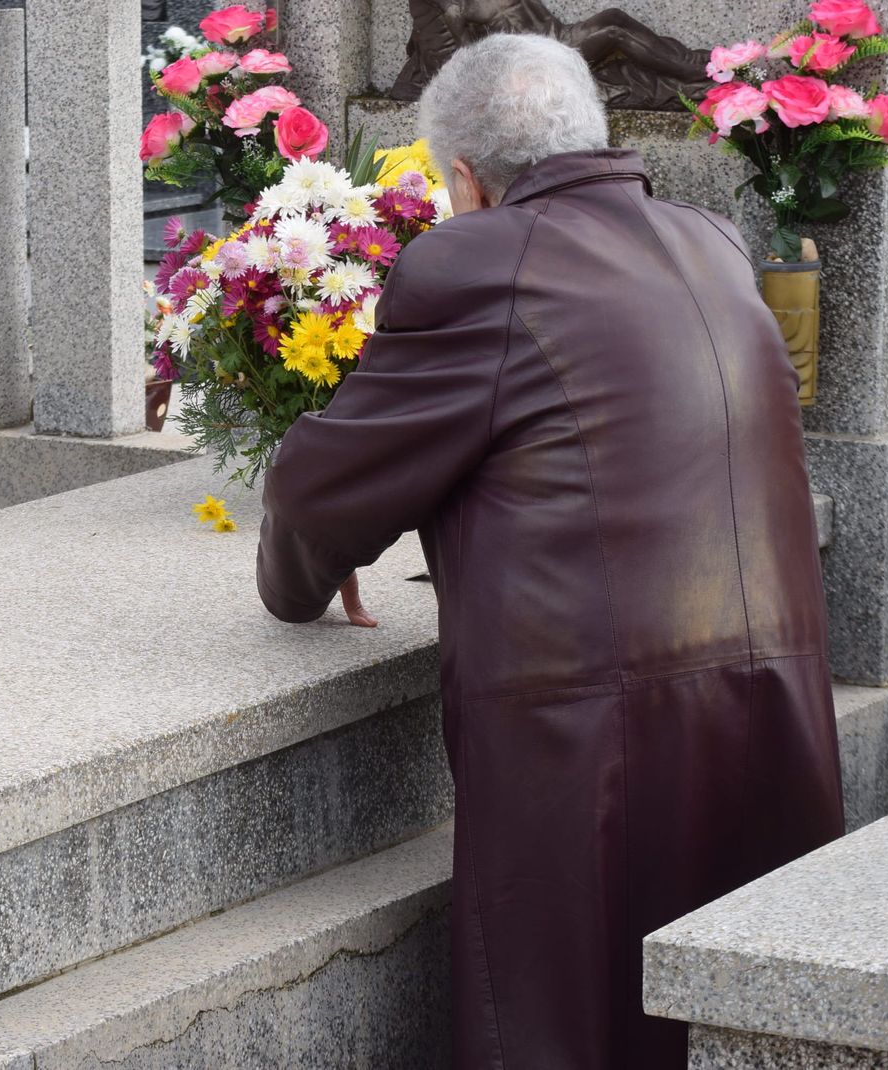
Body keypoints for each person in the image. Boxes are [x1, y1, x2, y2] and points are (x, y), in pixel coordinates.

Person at [256, 34, 845, 1069]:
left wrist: (295, 578)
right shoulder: (709, 239)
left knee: (566, 1035)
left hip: (595, 749)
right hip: (771, 718)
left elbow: (314, 491)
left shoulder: (476, 258)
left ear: (469, 181)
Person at [390, 0, 707, 108]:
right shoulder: (452, 10)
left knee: (615, 23)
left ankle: (693, 66)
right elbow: (459, 51)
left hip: (554, 41)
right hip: (536, 56)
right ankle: (694, 70)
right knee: (614, 27)